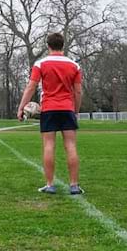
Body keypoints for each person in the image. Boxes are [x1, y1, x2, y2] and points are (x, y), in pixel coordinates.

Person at [17, 33, 84, 195]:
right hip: (67, 108)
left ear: (48, 46)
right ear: (63, 45)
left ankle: (50, 184)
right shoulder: (74, 65)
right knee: (71, 146)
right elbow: (78, 91)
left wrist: (21, 107)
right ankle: (74, 185)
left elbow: (31, 87)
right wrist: (76, 110)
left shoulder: (41, 64)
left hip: (48, 109)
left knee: (49, 146)